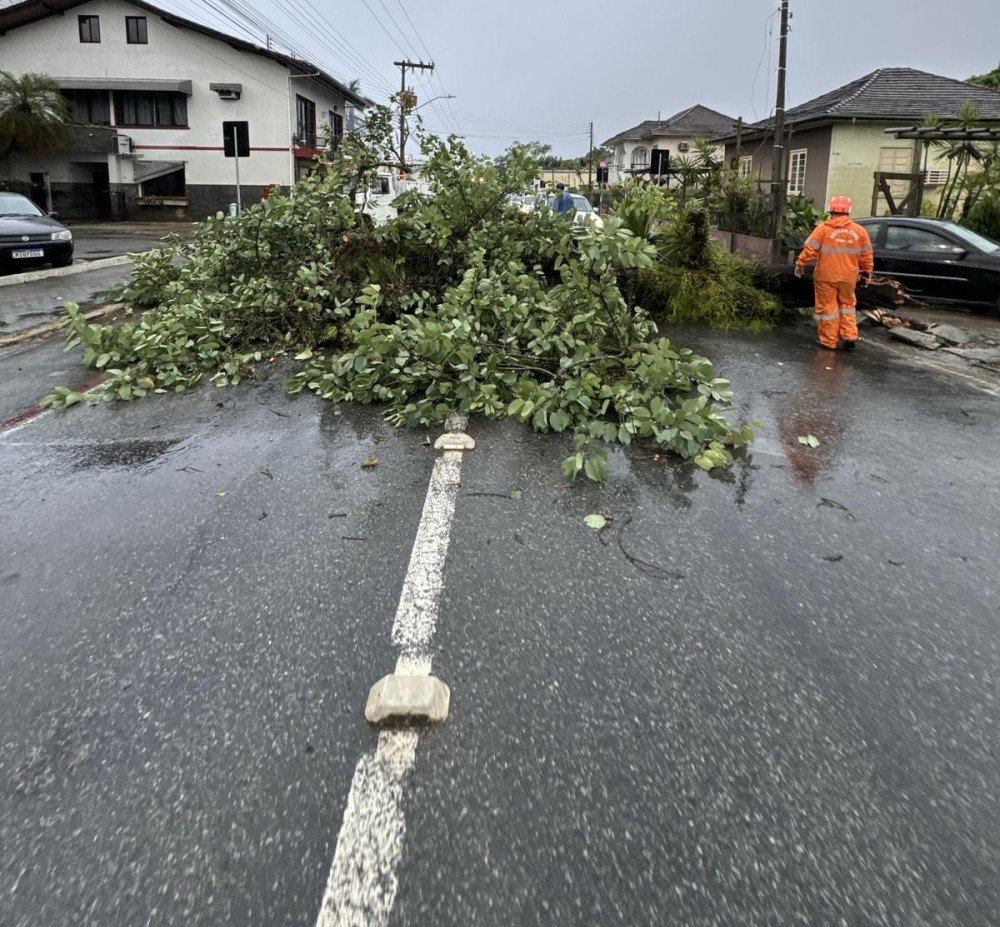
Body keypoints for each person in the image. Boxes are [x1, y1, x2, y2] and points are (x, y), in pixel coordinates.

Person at [794, 195, 874, 351]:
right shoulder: (860, 231)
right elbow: (867, 255)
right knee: (848, 306)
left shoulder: (823, 229)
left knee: (828, 309)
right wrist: (867, 272)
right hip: (849, 277)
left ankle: (829, 341)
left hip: (826, 276)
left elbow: (809, 250)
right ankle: (850, 336)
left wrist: (800, 264)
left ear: (831, 209)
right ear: (848, 210)